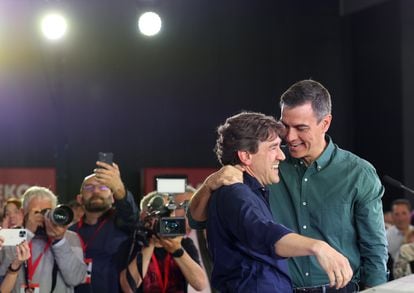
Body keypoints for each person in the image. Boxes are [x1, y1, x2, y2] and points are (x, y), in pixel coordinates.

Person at [189, 80, 388, 291]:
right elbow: (197, 219)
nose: (290, 137)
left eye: (301, 128)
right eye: (285, 126)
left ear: (325, 123)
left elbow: (374, 249)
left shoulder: (359, 173)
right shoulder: (266, 165)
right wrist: (210, 183)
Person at [201, 111, 353, 292]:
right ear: (246, 156)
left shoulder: (249, 190)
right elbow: (263, 233)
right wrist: (318, 247)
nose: (281, 156)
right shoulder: (236, 193)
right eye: (273, 148)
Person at [0, 186, 87, 292]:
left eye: (47, 212)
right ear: (23, 213)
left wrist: (59, 241)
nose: (42, 217)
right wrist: (28, 233)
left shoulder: (70, 238)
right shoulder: (12, 235)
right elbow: (3, 273)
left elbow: (76, 279)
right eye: (36, 212)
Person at [69, 161, 138, 293]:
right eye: (89, 188)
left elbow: (131, 213)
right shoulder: (69, 233)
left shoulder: (124, 224)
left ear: (113, 198)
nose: (95, 191)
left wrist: (119, 188)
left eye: (103, 187)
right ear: (79, 199)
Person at [119, 191, 208, 293]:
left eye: (167, 214)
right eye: (159, 215)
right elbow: (128, 288)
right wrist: (150, 242)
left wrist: (177, 250)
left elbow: (200, 284)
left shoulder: (185, 243)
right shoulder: (134, 243)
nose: (164, 219)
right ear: (144, 217)